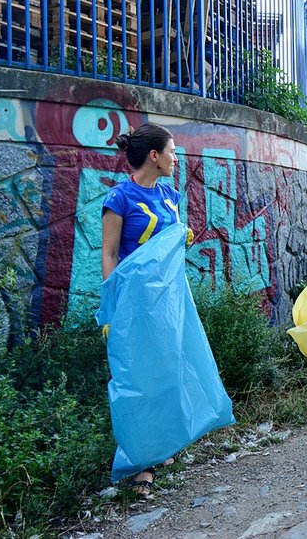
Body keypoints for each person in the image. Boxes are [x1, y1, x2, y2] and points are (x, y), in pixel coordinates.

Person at [101, 122, 185, 495]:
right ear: (155, 156)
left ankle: (162, 444)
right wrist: (115, 305)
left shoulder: (170, 196)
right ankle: (142, 463)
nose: (175, 157)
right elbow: (109, 255)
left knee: (166, 371)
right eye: (171, 151)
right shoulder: (118, 198)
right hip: (134, 305)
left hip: (167, 300)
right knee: (138, 378)